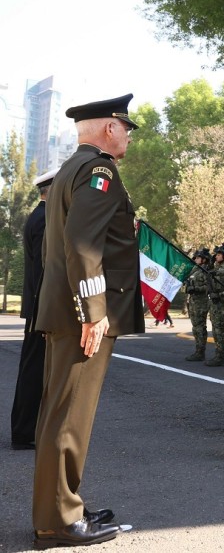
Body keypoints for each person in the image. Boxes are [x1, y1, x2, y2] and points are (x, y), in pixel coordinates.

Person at [32, 94, 143, 548]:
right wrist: (93, 311)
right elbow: (82, 245)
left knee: (61, 413)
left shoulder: (68, 171)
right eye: (126, 128)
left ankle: (63, 506)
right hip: (83, 314)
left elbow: (53, 247)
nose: (129, 136)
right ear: (109, 129)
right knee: (68, 417)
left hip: (65, 307)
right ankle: (58, 521)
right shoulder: (99, 170)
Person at [10, 168, 57, 450]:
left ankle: (26, 429)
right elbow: (43, 270)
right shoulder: (44, 220)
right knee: (33, 371)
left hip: (39, 307)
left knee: (35, 369)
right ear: (51, 190)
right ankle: (24, 432)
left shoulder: (41, 216)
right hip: (42, 308)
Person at [183, 248, 212, 361]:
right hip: (193, 301)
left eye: (198, 258)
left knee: (200, 327)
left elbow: (208, 286)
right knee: (195, 328)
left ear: (204, 260)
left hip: (201, 302)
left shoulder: (206, 271)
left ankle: (200, 352)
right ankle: (197, 350)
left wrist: (195, 288)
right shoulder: (195, 270)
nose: (196, 259)